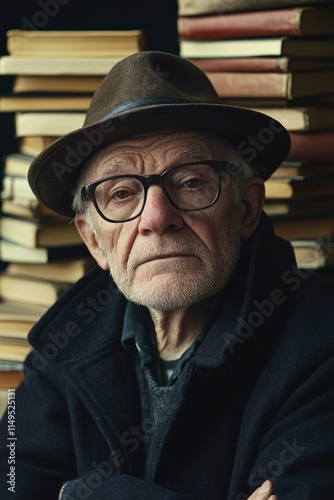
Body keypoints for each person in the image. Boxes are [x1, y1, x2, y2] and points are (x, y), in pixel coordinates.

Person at [0, 51, 333, 500]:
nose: (157, 217)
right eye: (120, 193)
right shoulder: (63, 344)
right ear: (95, 241)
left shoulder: (322, 345)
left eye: (192, 181)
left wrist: (74, 494)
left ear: (247, 208)